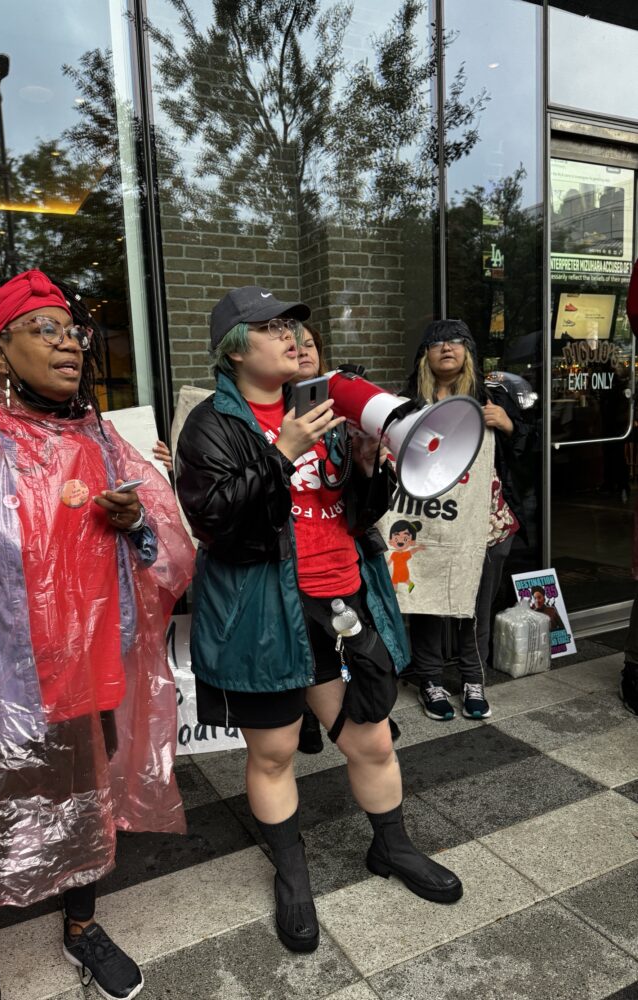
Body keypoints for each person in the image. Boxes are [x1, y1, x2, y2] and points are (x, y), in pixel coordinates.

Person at [0, 270, 194, 1000]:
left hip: (92, 678)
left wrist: (138, 524)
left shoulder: (103, 440)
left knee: (91, 805)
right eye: (46, 329)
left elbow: (171, 553)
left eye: (73, 331)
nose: (71, 344)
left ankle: (82, 928)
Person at [175, 285, 462, 956]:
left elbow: (359, 515)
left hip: (342, 600)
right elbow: (216, 522)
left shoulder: (329, 406)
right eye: (272, 327)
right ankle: (293, 876)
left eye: (294, 327)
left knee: (372, 741)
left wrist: (367, 470)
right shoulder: (211, 424)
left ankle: (391, 848)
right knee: (273, 753)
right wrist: (279, 450)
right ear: (236, 349)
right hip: (263, 612)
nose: (292, 338)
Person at [406, 319, 530, 722]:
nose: (448, 348)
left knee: (474, 604)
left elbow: (529, 450)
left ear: (469, 353)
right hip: (428, 522)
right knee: (426, 601)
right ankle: (429, 679)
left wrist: (508, 425)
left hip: (486, 524)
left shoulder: (492, 396)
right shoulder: (407, 402)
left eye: (458, 341)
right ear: (425, 353)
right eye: (438, 341)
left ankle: (473, 678)